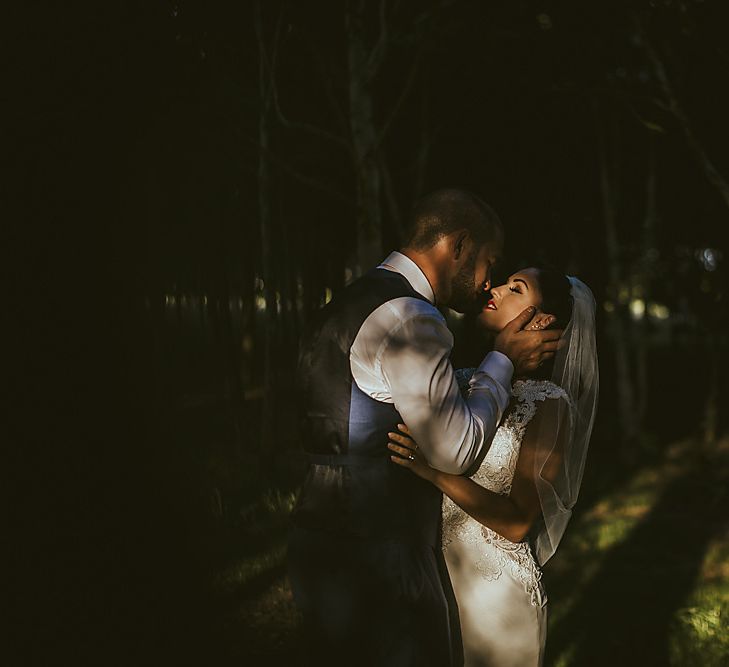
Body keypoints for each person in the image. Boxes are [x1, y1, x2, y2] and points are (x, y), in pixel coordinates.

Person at [288, 190, 563, 667]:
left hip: (317, 541)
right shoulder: (412, 318)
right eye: (488, 263)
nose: (487, 283)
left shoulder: (348, 303)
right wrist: (503, 359)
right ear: (458, 246)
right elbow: (454, 451)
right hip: (380, 550)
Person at [387, 267, 599, 667]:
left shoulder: (548, 404)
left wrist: (432, 471)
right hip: (436, 583)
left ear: (540, 321)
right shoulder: (466, 381)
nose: (495, 290)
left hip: (497, 602)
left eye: (515, 288)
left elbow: (519, 522)